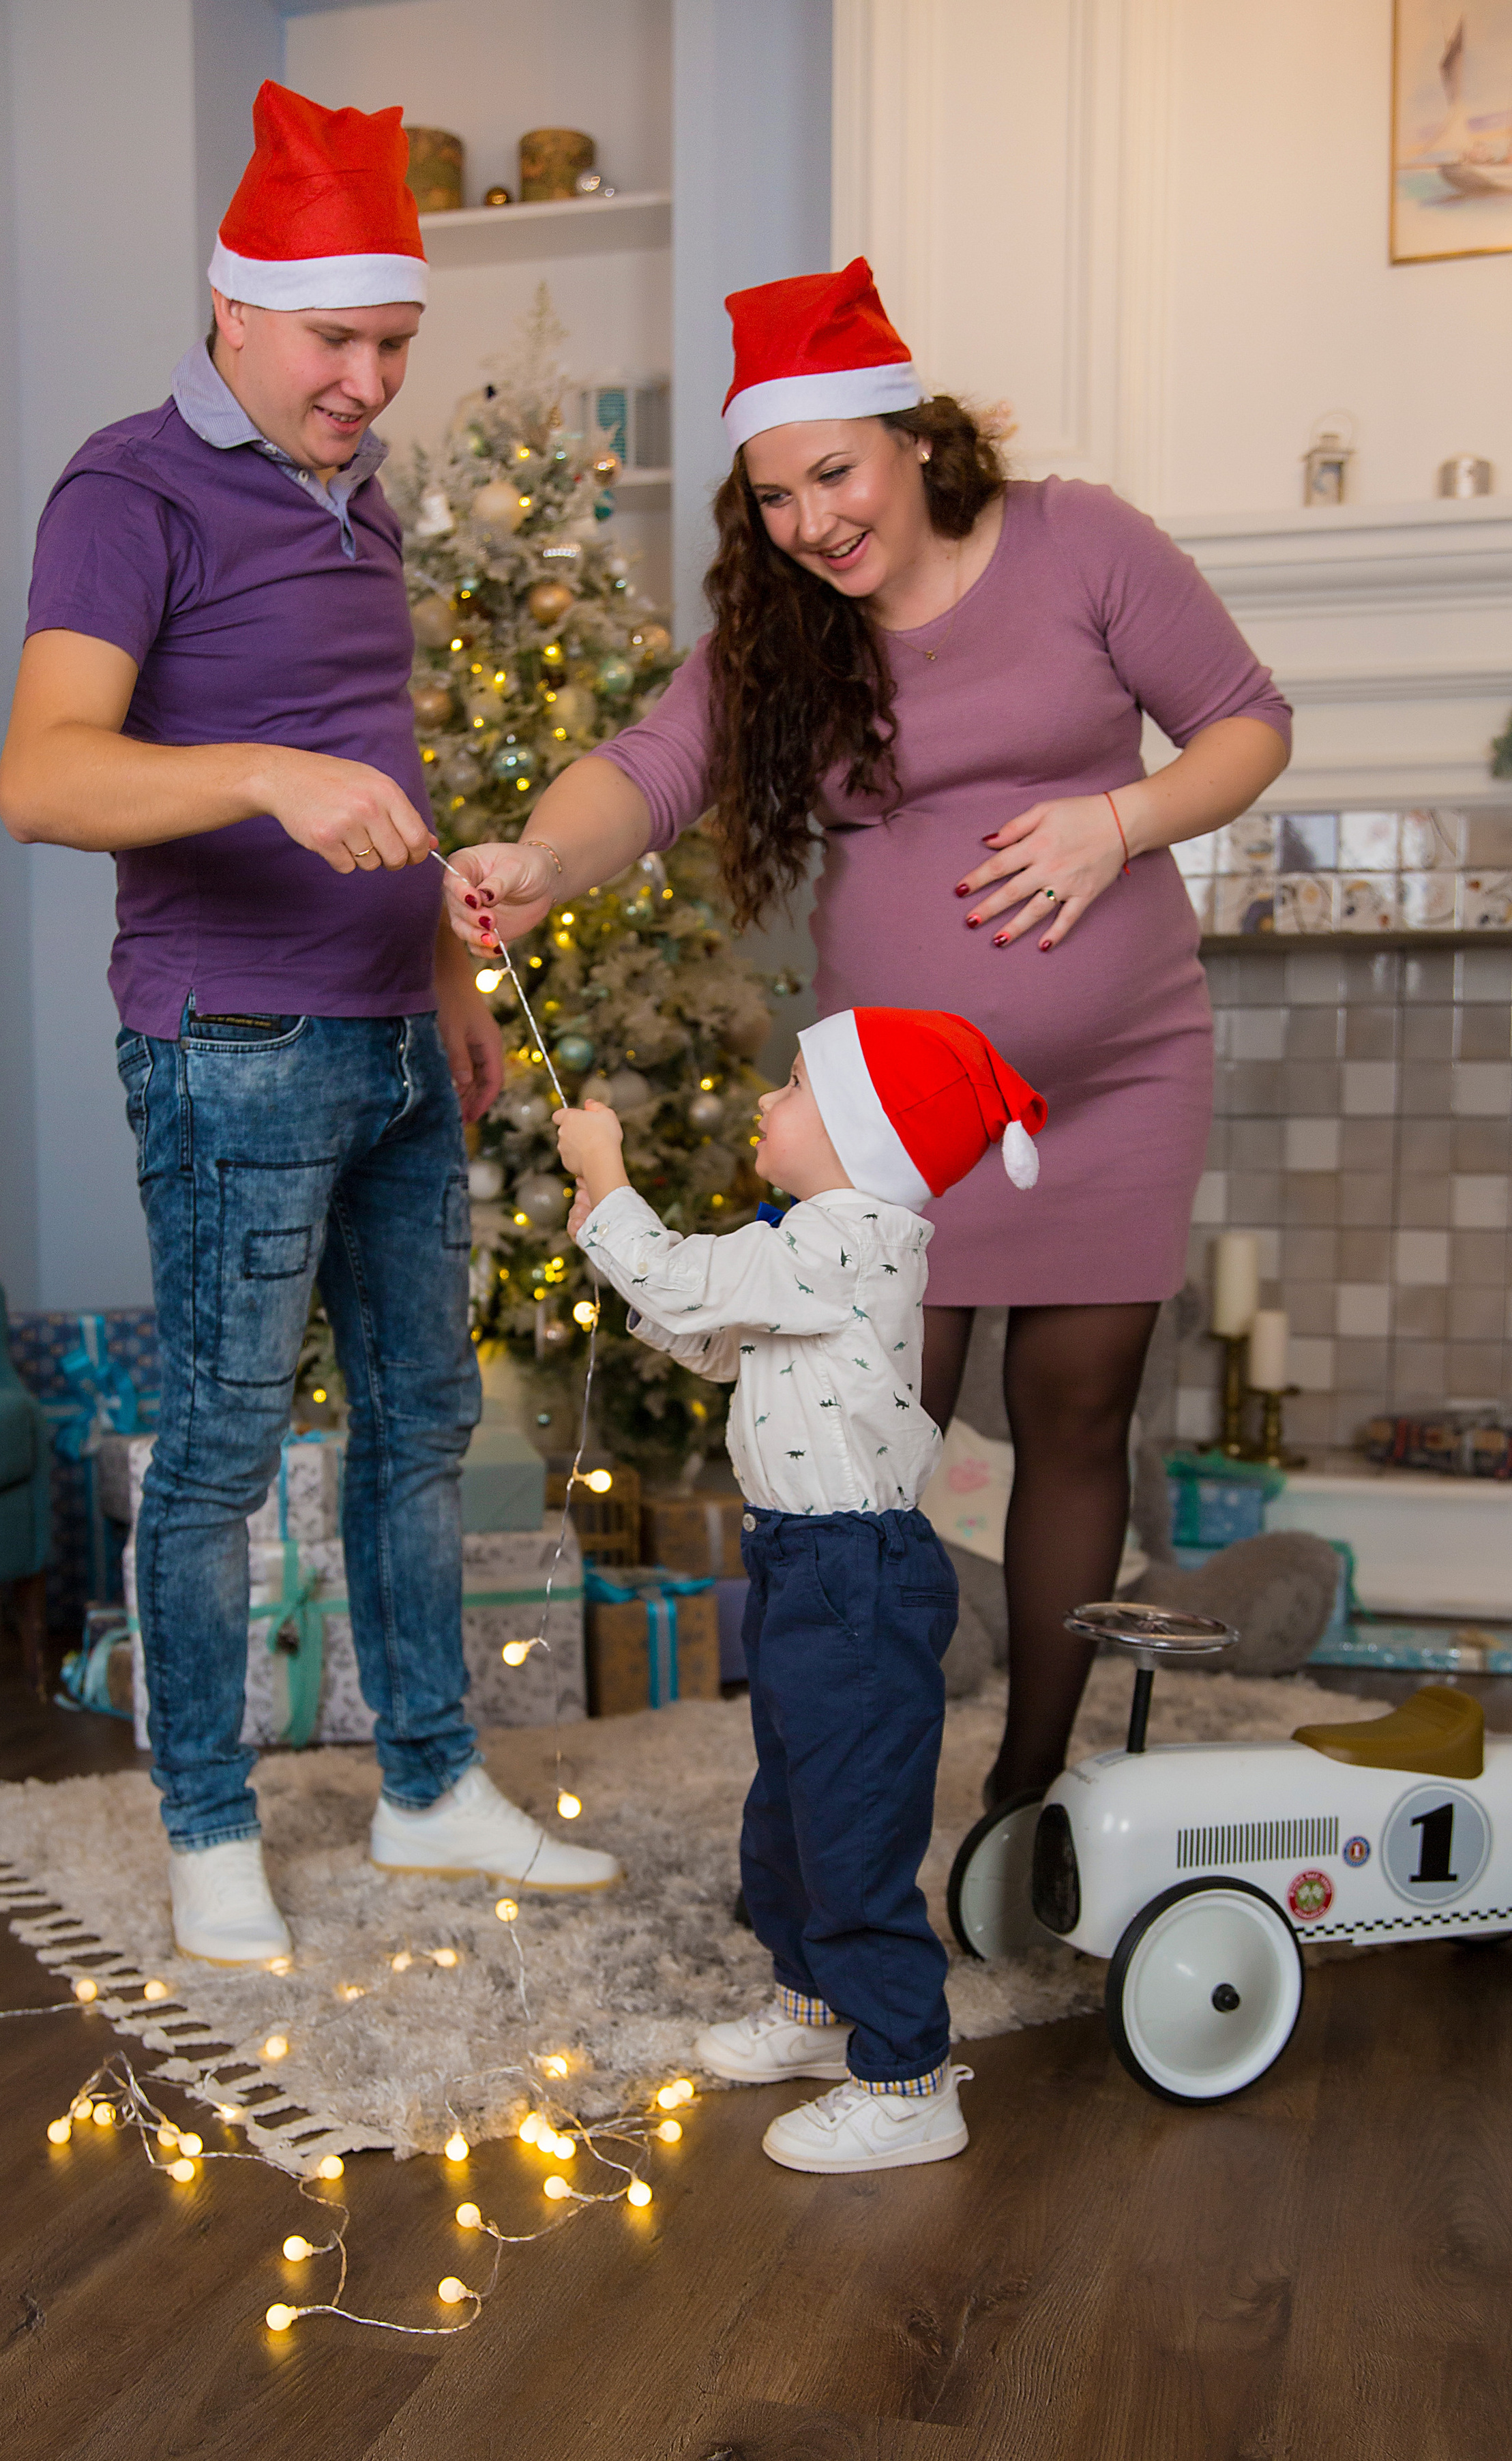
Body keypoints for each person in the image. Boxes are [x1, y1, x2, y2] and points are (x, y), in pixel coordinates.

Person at [447, 256, 1292, 1809]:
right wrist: (538, 864)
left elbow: (1246, 722)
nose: (811, 522)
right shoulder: (784, 632)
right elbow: (644, 770)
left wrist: (1116, 824)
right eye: (772, 496)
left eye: (833, 474)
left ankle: (1022, 1789)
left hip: (1114, 1076)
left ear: (914, 438)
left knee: (1075, 1419)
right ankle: (857, 1790)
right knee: (857, 1437)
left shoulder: (1079, 542)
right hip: (891, 1129)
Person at [0, 83, 616, 1966]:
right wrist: (261, 776)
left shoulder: (364, 522)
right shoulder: (126, 489)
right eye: (339, 342)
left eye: (394, 347)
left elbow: (391, 778)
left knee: (423, 1426)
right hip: (230, 1046)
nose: (369, 381)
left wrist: (449, 988)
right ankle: (205, 1828)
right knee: (220, 1445)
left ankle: (429, 1789)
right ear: (237, 311)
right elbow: (43, 776)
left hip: (393, 1043)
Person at [558, 1007, 1046, 2172]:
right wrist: (611, 1240)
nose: (764, 1103)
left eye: (792, 1084)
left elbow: (686, 1280)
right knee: (788, 1803)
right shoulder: (809, 1244)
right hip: (795, 1560)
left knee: (854, 1819)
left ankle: (907, 2076)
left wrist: (610, 1177)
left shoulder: (852, 1238)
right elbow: (717, 1337)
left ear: (864, 1135)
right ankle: (817, 2006)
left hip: (853, 1576)